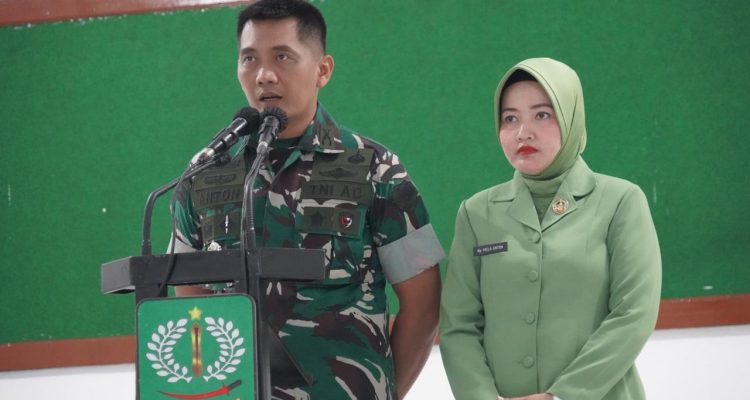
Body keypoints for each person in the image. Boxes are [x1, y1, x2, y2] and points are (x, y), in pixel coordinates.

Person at [172, 1, 444, 399]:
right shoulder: (205, 176)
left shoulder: (374, 168)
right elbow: (190, 300)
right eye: (249, 59)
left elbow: (424, 304)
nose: (264, 75)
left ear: (323, 70)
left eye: (282, 56)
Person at [439, 57, 661, 400]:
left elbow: (634, 313)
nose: (523, 132)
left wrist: (561, 396)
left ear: (571, 117)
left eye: (541, 115)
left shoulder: (620, 201)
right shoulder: (476, 213)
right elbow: (458, 325)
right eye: (510, 118)